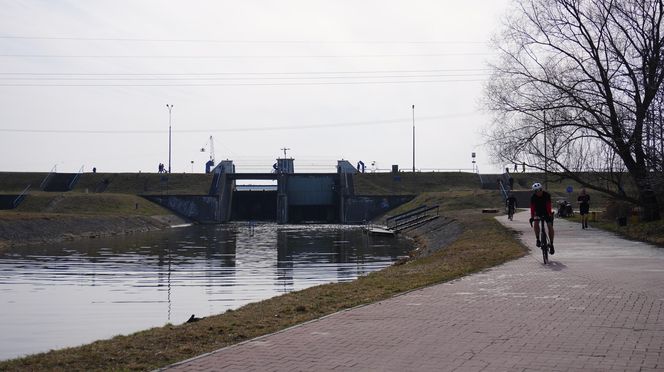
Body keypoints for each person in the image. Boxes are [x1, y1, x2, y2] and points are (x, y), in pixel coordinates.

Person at [529, 182, 555, 254]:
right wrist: (532, 217)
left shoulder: (547, 195)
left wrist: (549, 214)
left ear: (542, 189)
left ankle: (551, 244)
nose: (538, 192)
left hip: (546, 211)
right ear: (534, 191)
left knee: (550, 226)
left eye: (540, 190)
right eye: (536, 191)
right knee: (536, 223)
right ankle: (538, 239)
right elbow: (532, 208)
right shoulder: (533, 197)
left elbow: (548, 205)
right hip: (538, 212)